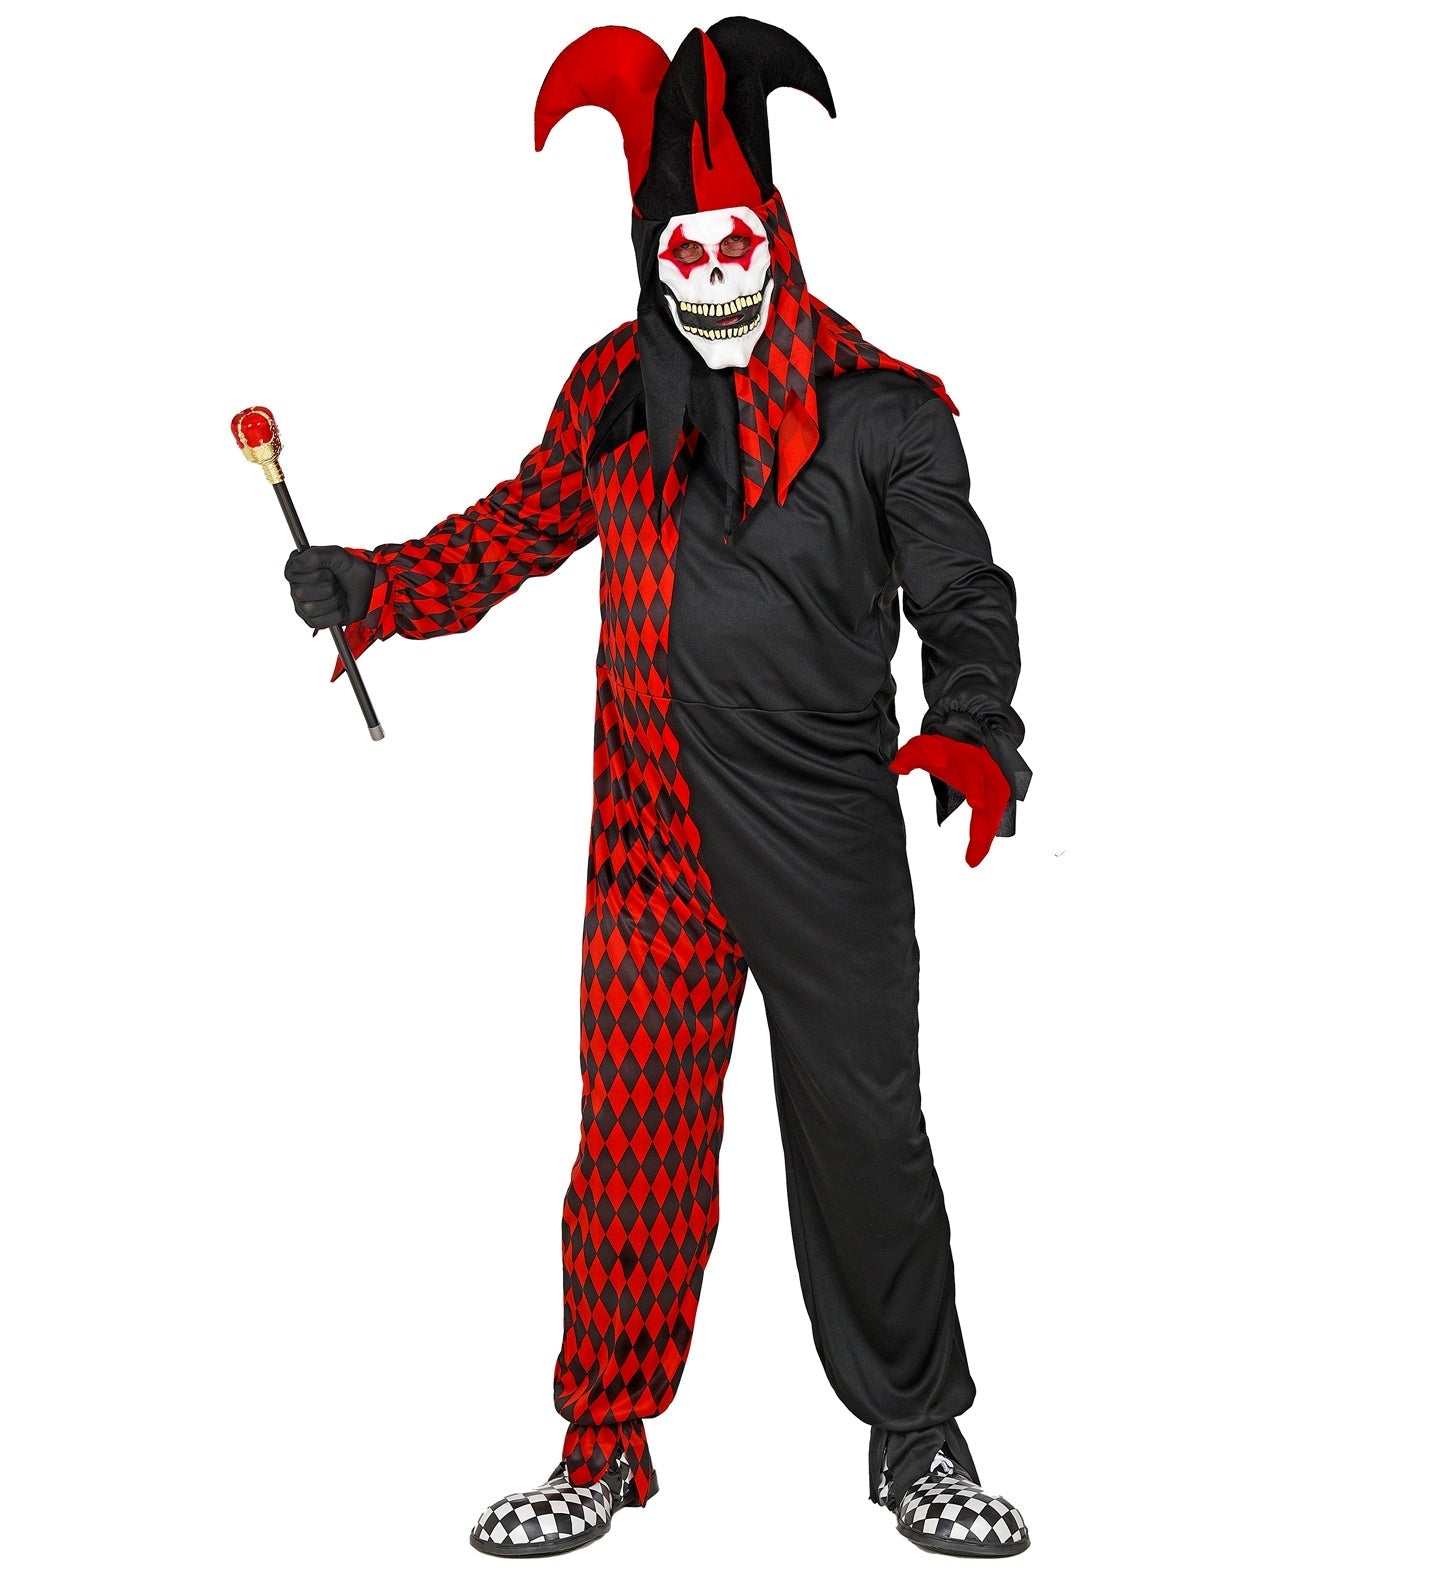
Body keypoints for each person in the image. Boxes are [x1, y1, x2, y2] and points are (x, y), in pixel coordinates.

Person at [284, 19, 1032, 1560]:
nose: (709, 270)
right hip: (648, 842)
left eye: (732, 240)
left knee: (865, 1142)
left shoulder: (881, 408)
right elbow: (516, 527)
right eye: (680, 248)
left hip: (823, 841)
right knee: (629, 1151)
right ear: (651, 253)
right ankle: (602, 1441)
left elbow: (962, 594)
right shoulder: (617, 391)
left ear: (776, 233)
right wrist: (378, 587)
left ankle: (916, 1435)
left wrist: (972, 724)